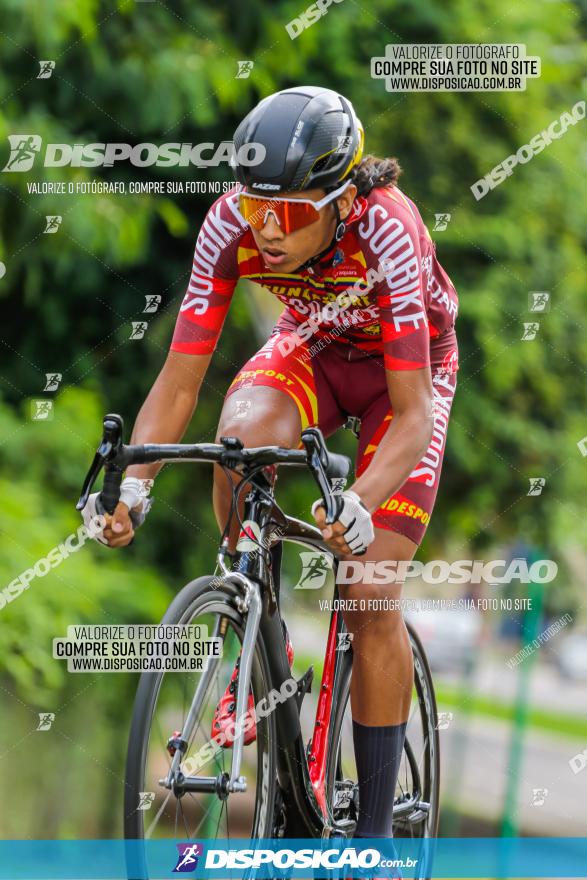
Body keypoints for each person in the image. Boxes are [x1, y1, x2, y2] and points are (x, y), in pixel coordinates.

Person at [82, 86, 459, 846]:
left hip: (401, 381)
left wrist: (360, 497)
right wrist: (134, 485)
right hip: (312, 351)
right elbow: (181, 377)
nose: (266, 230)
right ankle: (261, 642)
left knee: (366, 583)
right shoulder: (232, 222)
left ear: (340, 199)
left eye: (286, 214)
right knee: (241, 433)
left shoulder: (389, 228)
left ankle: (377, 837)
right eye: (256, 209)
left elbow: (414, 415)